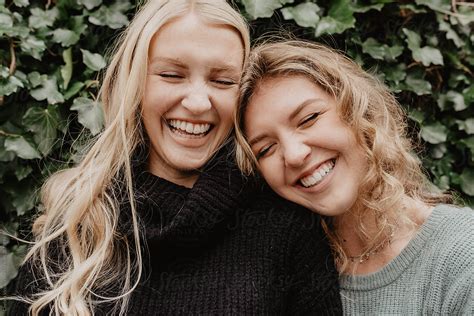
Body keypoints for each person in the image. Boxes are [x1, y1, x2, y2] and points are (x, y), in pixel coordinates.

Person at [6, 2, 342, 315]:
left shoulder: (285, 228)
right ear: (135, 83)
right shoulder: (78, 228)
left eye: (222, 80)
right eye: (171, 75)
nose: (197, 102)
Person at [234, 40, 474, 315]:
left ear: (357, 109)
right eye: (265, 149)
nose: (294, 155)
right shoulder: (274, 273)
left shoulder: (462, 251)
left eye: (309, 118)